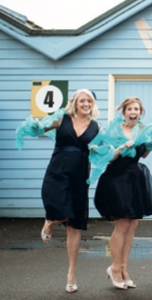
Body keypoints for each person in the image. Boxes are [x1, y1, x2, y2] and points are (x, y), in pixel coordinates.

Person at [94, 97, 152, 289]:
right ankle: (114, 268)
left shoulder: (142, 129)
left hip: (134, 178)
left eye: (137, 109)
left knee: (133, 225)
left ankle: (124, 269)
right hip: (116, 179)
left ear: (141, 113)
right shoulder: (112, 130)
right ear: (123, 112)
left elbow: (144, 154)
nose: (134, 112)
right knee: (122, 224)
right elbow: (108, 157)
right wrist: (122, 146)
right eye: (130, 109)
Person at [40, 89, 100, 293]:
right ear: (75, 103)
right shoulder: (61, 119)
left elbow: (103, 148)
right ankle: (50, 221)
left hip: (80, 175)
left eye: (89, 101)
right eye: (82, 100)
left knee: (74, 224)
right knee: (59, 209)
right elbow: (40, 129)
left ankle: (71, 273)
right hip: (58, 171)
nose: (85, 104)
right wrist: (36, 125)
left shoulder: (96, 126)